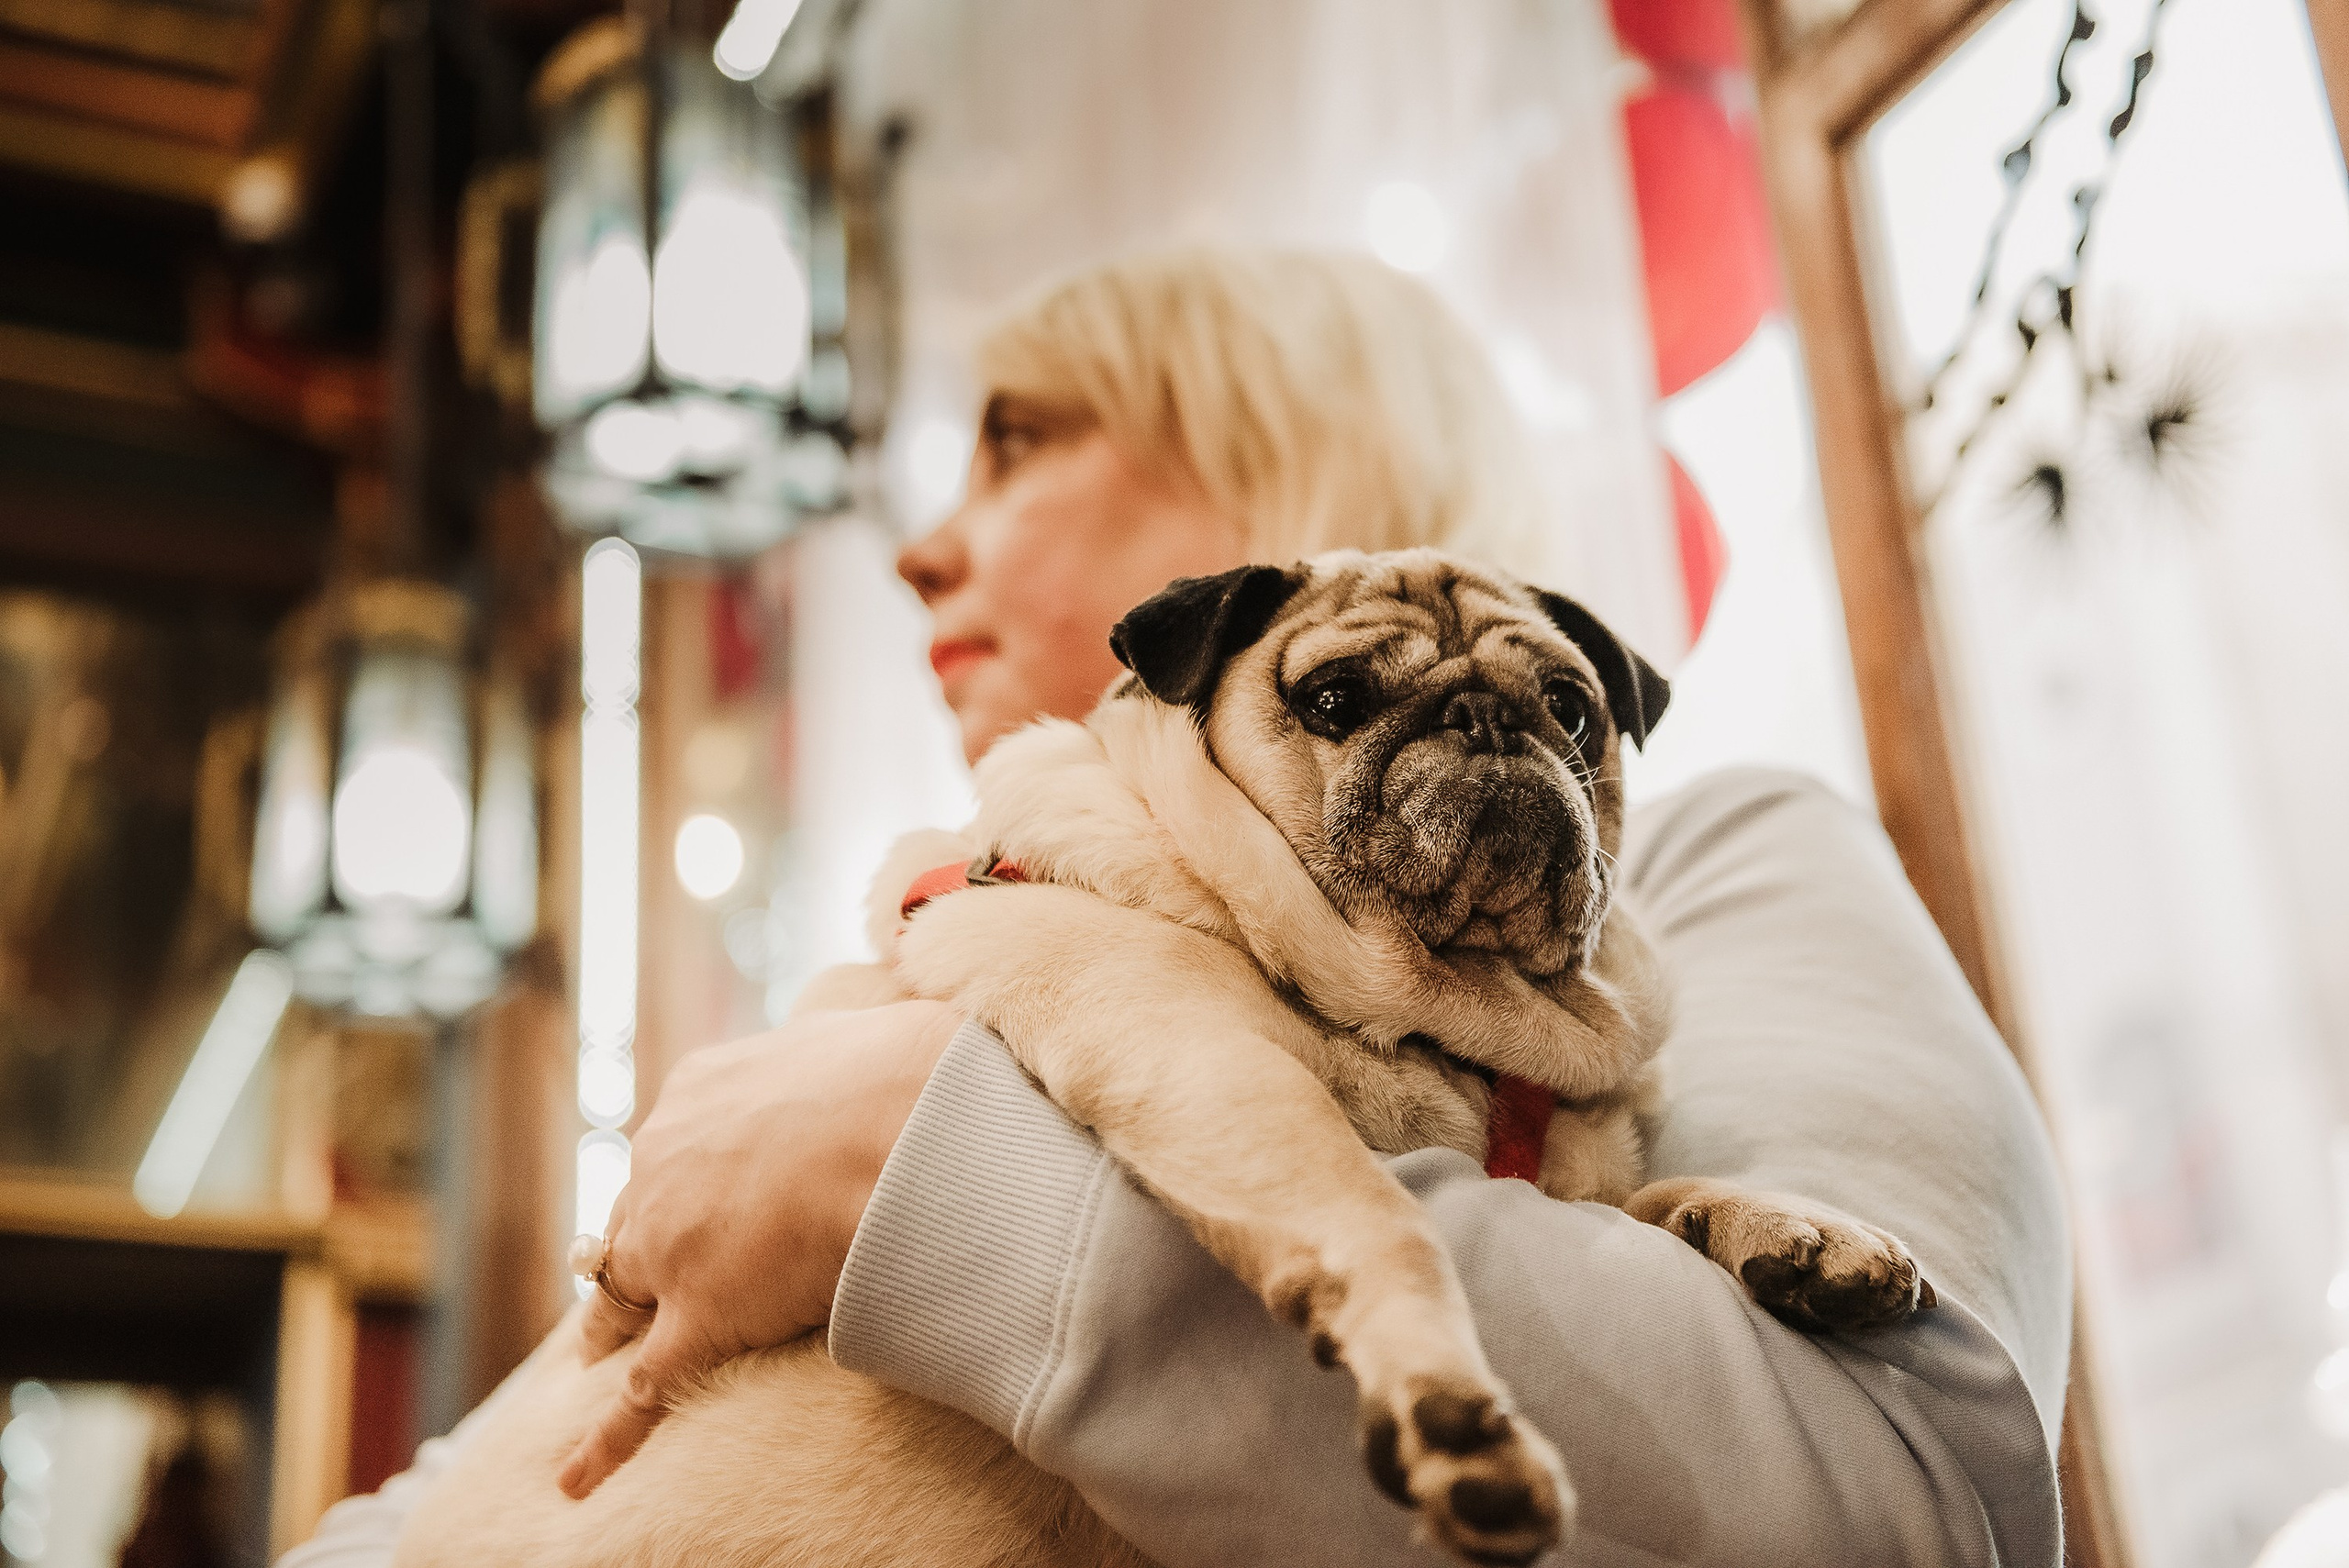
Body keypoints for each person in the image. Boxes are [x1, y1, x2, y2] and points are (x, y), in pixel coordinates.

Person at [283, 250, 2069, 1566]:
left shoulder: (1714, 867)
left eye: (1014, 444)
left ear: (1270, 509)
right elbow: (508, 1469)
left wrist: (918, 1170)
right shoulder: (986, 920)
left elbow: (1906, 1491)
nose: (920, 546)